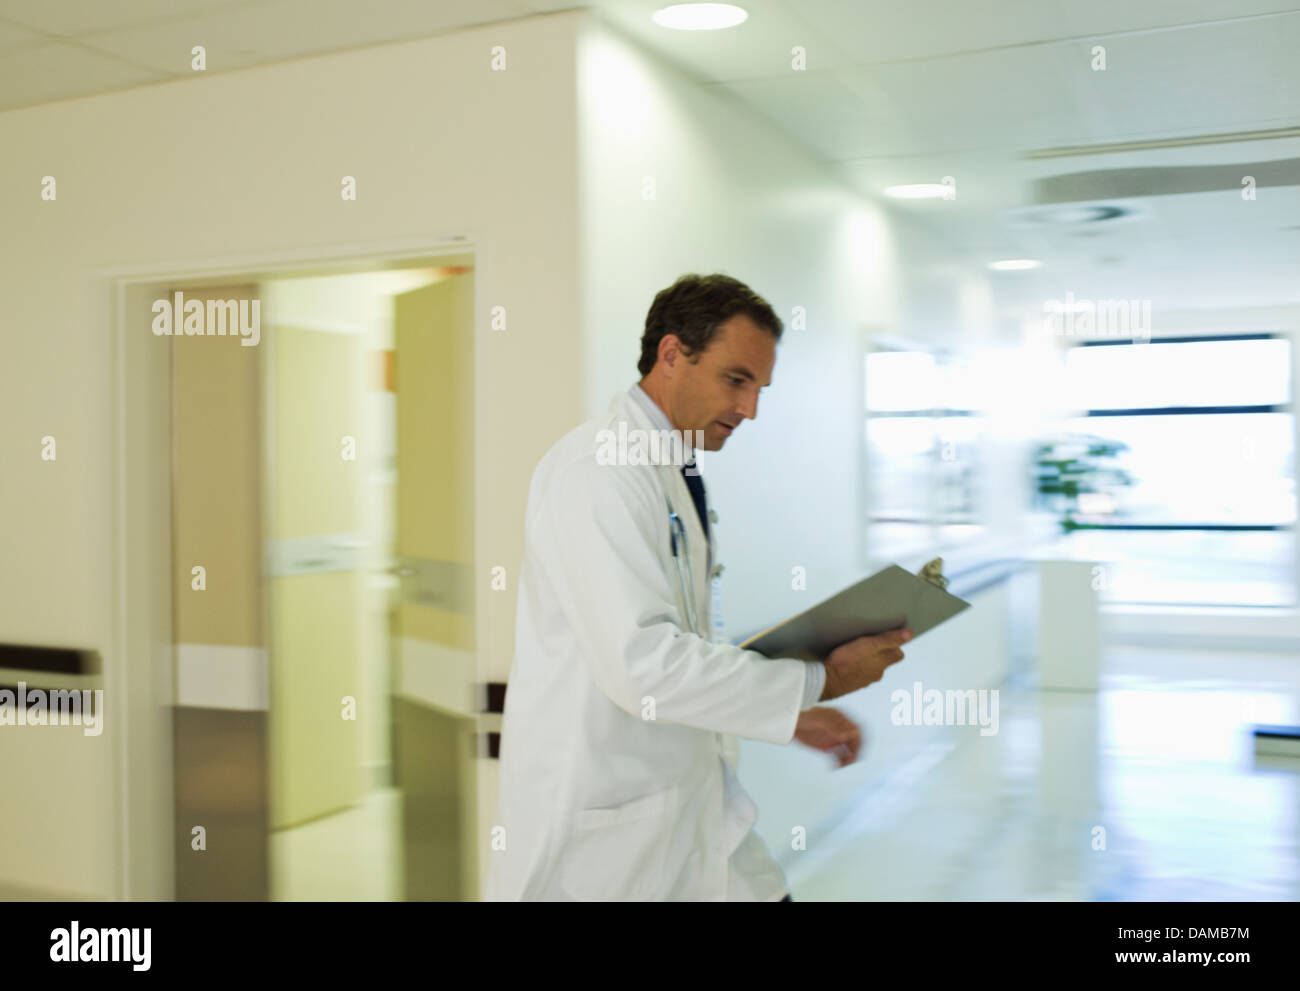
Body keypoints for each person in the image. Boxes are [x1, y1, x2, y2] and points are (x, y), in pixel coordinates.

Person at [486, 273, 912, 901]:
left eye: (759, 389)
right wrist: (820, 678)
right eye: (735, 380)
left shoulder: (673, 470)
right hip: (607, 837)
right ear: (670, 354)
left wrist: (788, 711)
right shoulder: (598, 473)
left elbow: (686, 642)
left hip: (689, 814)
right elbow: (645, 667)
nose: (750, 410)